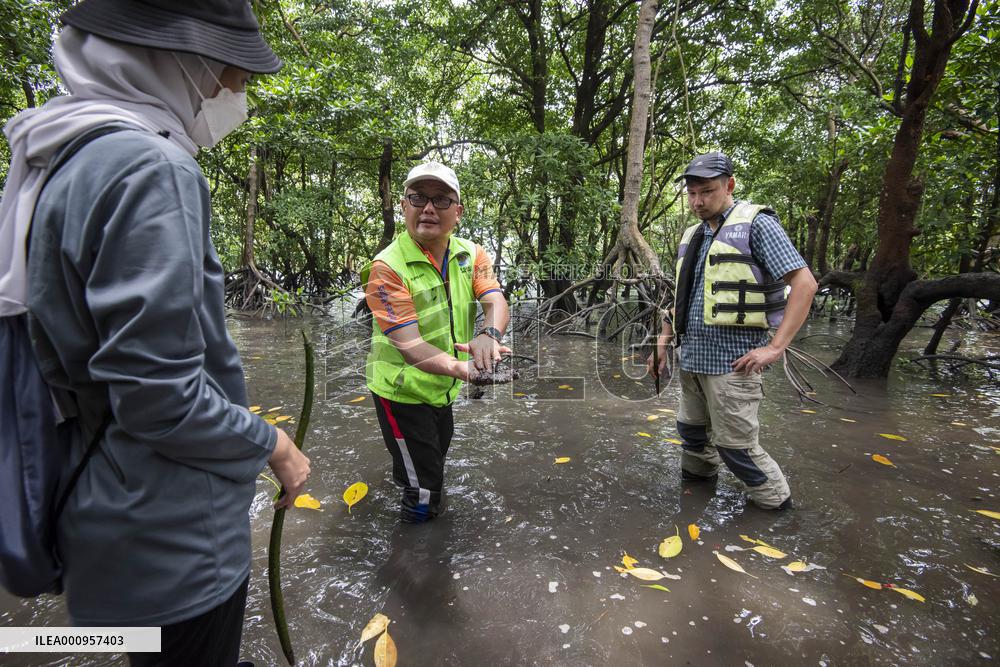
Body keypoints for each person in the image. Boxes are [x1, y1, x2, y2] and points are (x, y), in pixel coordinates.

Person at [0, 1, 310, 664]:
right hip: (176, 544)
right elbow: (160, 396)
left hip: (103, 523)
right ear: (188, 64)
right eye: (234, 77)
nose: (238, 95)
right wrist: (273, 443)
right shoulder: (151, 168)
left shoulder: (61, 156)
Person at [647, 151, 817, 510]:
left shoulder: (757, 225)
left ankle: (778, 512)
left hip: (732, 364)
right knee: (692, 434)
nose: (698, 202)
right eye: (692, 194)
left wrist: (775, 348)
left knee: (736, 448)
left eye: (707, 192)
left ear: (730, 186)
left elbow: (805, 285)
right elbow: (684, 298)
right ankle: (693, 503)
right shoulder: (694, 235)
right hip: (692, 359)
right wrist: (662, 341)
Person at [363, 162, 510, 522]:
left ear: (457, 212)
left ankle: (416, 494)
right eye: (418, 198)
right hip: (401, 393)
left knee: (433, 461)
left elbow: (495, 299)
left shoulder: (472, 254)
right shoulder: (386, 268)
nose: (428, 208)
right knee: (424, 489)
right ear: (404, 206)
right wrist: (463, 369)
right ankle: (415, 547)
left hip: (442, 388)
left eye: (441, 200)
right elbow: (410, 346)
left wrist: (488, 336)